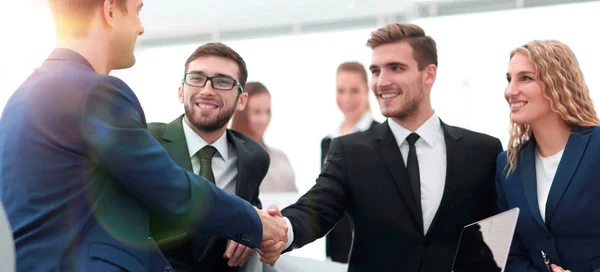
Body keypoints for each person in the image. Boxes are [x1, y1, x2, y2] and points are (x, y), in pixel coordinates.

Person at [0, 1, 286, 271]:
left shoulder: (19, 100)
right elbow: (169, 188)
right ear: (111, 10)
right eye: (137, 11)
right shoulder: (96, 93)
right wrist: (255, 223)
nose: (140, 27)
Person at [266, 23, 503, 271]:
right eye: (376, 71)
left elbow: (506, 232)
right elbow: (317, 208)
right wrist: (281, 229)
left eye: (396, 68)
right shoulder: (350, 152)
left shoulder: (483, 151)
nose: (381, 82)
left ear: (429, 74)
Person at [148, 43, 272, 271]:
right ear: (181, 91)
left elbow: (251, 208)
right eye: (197, 78)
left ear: (241, 100)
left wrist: (251, 231)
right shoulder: (146, 141)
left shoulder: (254, 157)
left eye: (222, 81)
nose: (207, 89)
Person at [496, 40, 600, 272]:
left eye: (525, 78)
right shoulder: (507, 165)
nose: (510, 91)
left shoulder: (597, 146)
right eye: (509, 79)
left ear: (558, 83)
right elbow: (511, 253)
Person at [321, 61, 380, 263]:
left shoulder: (381, 137)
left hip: (375, 249)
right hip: (338, 251)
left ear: (367, 91)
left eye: (354, 90)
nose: (347, 98)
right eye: (341, 90)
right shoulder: (328, 142)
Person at [230, 82, 298, 193]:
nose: (264, 119)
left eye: (267, 111)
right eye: (256, 112)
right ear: (241, 113)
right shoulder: (228, 157)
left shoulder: (280, 157)